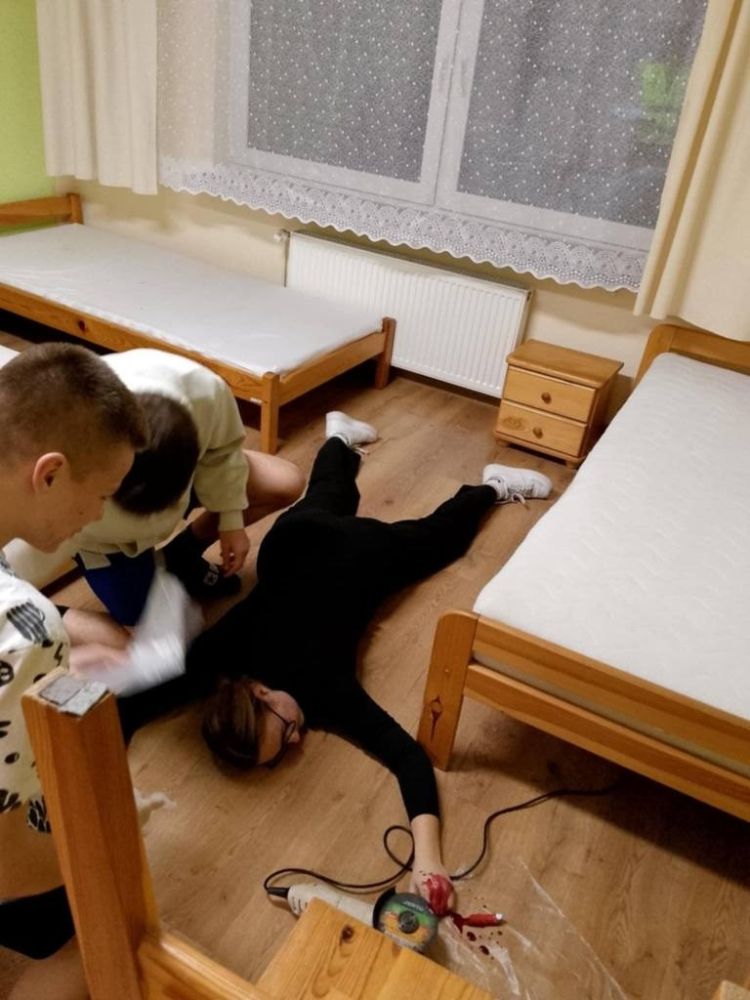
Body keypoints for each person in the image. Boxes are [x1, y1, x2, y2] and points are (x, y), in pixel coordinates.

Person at [193, 411, 552, 914]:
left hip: (357, 555)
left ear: (259, 692)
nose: (296, 739)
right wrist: (427, 860)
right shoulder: (218, 658)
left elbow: (408, 757)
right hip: (290, 541)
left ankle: (492, 486)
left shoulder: (323, 690)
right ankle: (339, 437)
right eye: (280, 754)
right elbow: (153, 690)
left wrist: (427, 857)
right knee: (329, 495)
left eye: (285, 729)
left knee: (440, 539)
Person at [0, 342, 146, 997]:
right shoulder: (20, 626)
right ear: (51, 473)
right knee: (109, 919)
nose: (99, 516)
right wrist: (113, 837)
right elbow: (5, 868)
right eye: (102, 495)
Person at [63, 348, 305, 628]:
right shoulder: (59, 440)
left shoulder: (204, 391)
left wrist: (230, 520)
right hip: (103, 539)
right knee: (137, 614)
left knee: (286, 481)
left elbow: (223, 451)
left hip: (180, 474)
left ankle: (182, 553)